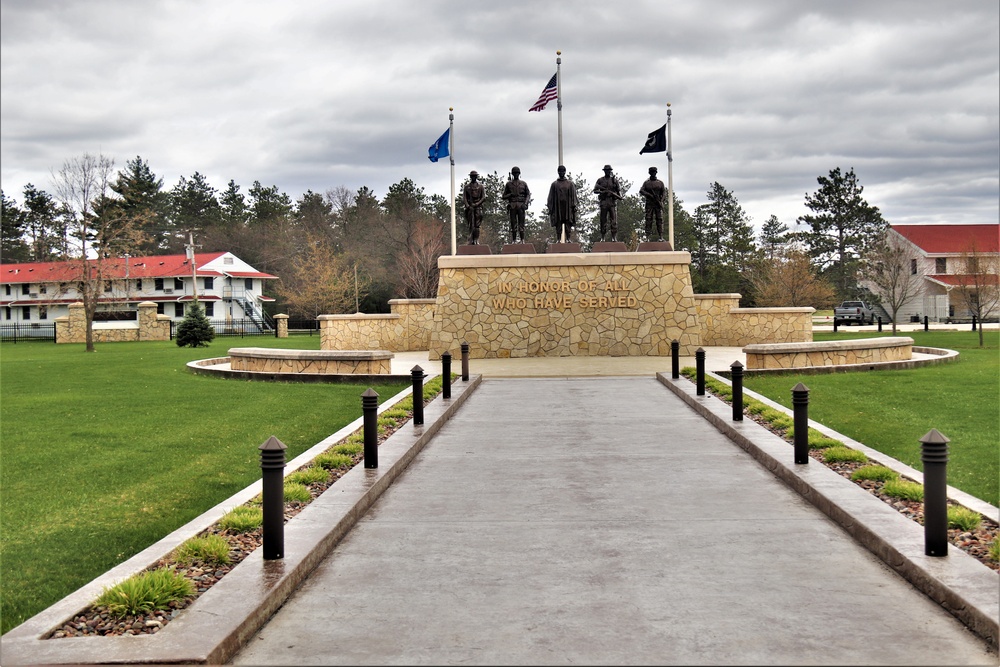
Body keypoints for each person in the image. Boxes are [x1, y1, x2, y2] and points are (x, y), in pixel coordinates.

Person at [546, 165, 577, 243]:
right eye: (560, 171)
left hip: (567, 207)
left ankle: (568, 238)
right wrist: (550, 207)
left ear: (565, 172)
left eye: (563, 171)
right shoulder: (554, 184)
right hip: (558, 207)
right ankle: (558, 239)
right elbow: (550, 197)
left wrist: (574, 205)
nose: (561, 173)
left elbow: (574, 196)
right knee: (558, 223)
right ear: (558, 172)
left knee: (568, 223)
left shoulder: (570, 184)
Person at [593, 164, 622, 242]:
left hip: (612, 202)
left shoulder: (614, 181)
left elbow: (619, 193)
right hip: (604, 202)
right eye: (606, 171)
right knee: (603, 220)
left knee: (613, 221)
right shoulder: (600, 180)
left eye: (609, 171)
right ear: (604, 171)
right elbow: (595, 190)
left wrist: (615, 195)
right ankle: (602, 237)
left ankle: (614, 237)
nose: (608, 172)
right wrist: (602, 192)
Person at [502, 167, 531, 243]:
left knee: (521, 224)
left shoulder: (523, 184)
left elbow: (528, 194)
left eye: (517, 173)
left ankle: (522, 239)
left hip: (521, 205)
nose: (516, 174)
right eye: (514, 173)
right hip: (512, 205)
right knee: (513, 224)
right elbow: (503, 196)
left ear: (519, 174)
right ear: (512, 174)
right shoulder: (509, 184)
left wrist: (525, 203)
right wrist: (510, 195)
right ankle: (514, 240)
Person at [639, 166, 667, 241]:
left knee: (659, 219)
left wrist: (661, 200)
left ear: (656, 172)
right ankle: (647, 236)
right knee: (648, 219)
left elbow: (664, 193)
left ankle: (661, 236)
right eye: (652, 172)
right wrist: (649, 195)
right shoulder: (646, 183)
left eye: (654, 172)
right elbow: (641, 191)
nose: (653, 173)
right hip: (649, 203)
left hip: (658, 204)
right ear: (649, 173)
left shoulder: (660, 183)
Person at [463, 170, 486, 245]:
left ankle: (476, 239)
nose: (473, 177)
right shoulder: (467, 187)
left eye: (474, 176)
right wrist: (468, 206)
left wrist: (477, 204)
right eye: (472, 176)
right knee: (471, 224)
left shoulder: (480, 186)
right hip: (470, 207)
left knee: (477, 225)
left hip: (478, 207)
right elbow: (464, 198)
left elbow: (483, 197)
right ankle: (471, 239)